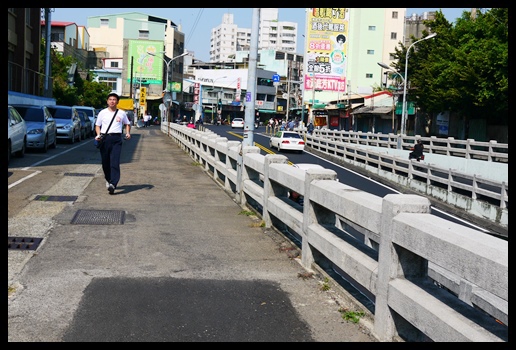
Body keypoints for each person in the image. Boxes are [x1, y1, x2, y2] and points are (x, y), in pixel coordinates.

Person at [95, 92, 131, 195]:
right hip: (104, 139)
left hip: (116, 139)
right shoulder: (102, 113)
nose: (112, 101)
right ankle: (109, 179)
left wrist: (128, 133)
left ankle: (113, 184)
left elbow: (127, 124)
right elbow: (97, 125)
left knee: (114, 162)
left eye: (114, 100)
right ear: (107, 101)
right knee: (105, 163)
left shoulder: (122, 113)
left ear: (117, 102)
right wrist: (98, 134)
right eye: (110, 99)